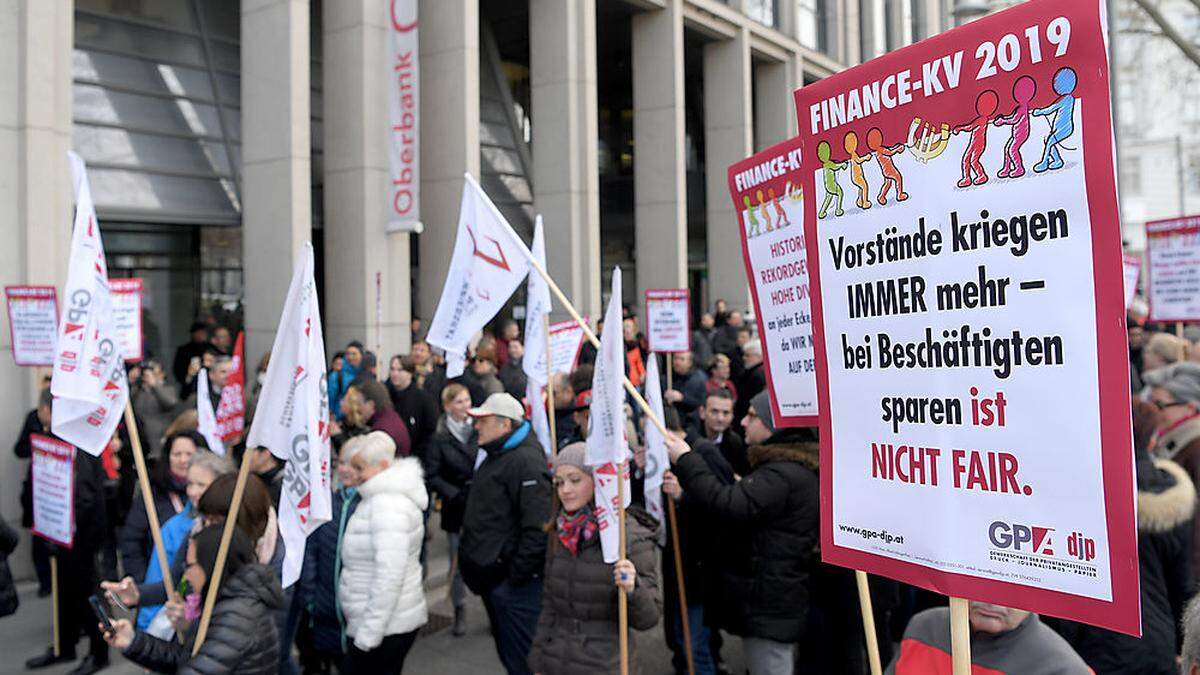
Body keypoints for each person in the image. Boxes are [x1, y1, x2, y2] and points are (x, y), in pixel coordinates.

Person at [663, 390, 819, 675]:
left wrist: (686, 459)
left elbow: (727, 503)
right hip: (770, 599)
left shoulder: (782, 474)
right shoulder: (785, 469)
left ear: (775, 426)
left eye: (752, 416)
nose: (744, 423)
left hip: (770, 604)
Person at [1053, 399, 1194, 674]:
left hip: (1094, 642)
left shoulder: (1081, 489)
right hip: (1157, 641)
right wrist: (1182, 646)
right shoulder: (1173, 497)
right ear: (1151, 440)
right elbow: (1182, 584)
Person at [528, 443, 662, 674]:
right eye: (559, 482)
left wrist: (633, 588)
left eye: (575, 480)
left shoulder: (628, 536)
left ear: (598, 480)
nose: (565, 490)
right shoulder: (558, 532)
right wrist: (538, 659)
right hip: (557, 662)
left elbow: (648, 618)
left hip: (606, 665)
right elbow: (550, 605)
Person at [103, 525, 284, 675]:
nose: (186, 574)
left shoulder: (238, 614)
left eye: (190, 566)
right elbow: (189, 658)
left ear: (210, 566)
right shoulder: (225, 602)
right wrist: (133, 641)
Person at [460, 393, 552, 675]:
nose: (477, 427)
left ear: (505, 424)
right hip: (496, 580)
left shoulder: (525, 462)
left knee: (521, 660)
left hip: (513, 586)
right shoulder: (499, 453)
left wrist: (514, 578)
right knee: (509, 653)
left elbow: (537, 529)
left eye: (483, 421)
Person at [339, 432, 428, 672]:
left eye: (361, 467)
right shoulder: (381, 499)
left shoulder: (387, 506)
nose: (355, 474)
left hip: (383, 628)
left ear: (384, 466)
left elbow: (389, 577)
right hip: (387, 623)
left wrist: (368, 635)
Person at [24, 444, 110, 674]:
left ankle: (98, 652)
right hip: (66, 533)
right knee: (65, 593)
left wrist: (61, 526)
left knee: (87, 595)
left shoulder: (79, 446)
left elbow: (84, 497)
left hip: (79, 536)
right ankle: (65, 645)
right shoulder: (64, 442)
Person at [134, 450, 235, 637]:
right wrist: (135, 595)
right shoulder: (194, 530)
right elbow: (173, 583)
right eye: (190, 484)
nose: (193, 492)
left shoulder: (235, 532)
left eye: (201, 484)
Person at [299, 437, 366, 670]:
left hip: (356, 615)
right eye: (342, 462)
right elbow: (310, 553)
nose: (346, 470)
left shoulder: (369, 505)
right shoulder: (327, 503)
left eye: (354, 465)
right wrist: (310, 598)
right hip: (324, 608)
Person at [886, 601, 1090, 674]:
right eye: (979, 581)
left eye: (1010, 588)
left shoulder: (1064, 669)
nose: (993, 602)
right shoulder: (923, 627)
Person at [425, 383, 480, 637]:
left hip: (481, 503)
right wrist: (454, 493)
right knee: (457, 561)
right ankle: (459, 609)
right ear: (448, 406)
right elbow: (432, 474)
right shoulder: (440, 437)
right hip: (456, 505)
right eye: (459, 402)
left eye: (467, 400)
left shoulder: (479, 430)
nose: (465, 406)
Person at [119, 431, 203, 583]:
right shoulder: (152, 493)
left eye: (189, 454)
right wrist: (142, 583)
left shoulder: (212, 496)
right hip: (158, 582)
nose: (183, 460)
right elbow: (132, 541)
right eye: (177, 454)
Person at [1144, 362, 1200, 576]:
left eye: (1160, 404)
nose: (1153, 411)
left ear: (1190, 407)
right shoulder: (1170, 439)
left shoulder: (1194, 448)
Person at [15, 387, 54, 595]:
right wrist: (38, 444)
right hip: (37, 488)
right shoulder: (33, 420)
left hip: (57, 492)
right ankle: (45, 581)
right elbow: (19, 449)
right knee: (38, 540)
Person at [688, 388, 750, 481]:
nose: (720, 418)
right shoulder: (688, 440)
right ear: (702, 412)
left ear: (732, 416)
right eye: (714, 411)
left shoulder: (735, 442)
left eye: (726, 413)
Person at [387, 355, 439, 462]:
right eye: (392, 369)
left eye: (400, 370)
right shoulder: (385, 395)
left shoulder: (424, 399)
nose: (395, 373)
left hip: (414, 457)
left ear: (410, 373)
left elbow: (430, 432)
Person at [353, 380, 413, 458]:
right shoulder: (390, 416)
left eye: (359, 404)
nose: (358, 409)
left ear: (371, 404)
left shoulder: (380, 433)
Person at [130, 359, 179, 451]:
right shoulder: (137, 391)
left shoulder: (168, 389)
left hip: (159, 440)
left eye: (153, 372)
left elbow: (171, 402)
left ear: (162, 374)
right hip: (140, 440)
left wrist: (154, 385)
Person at [733, 341, 766, 433]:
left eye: (747, 355)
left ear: (759, 356)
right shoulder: (757, 372)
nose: (744, 358)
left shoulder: (757, 375)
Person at [665, 352, 708, 417]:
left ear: (689, 363)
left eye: (682, 359)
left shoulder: (699, 379)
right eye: (675, 358)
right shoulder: (667, 377)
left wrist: (682, 398)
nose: (677, 362)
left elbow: (701, 403)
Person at [330, 342, 364, 421]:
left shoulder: (364, 375)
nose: (350, 357)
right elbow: (330, 401)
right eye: (348, 354)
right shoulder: (336, 376)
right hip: (340, 421)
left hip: (360, 420)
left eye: (354, 354)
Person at [172, 321, 209, 391]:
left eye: (203, 333)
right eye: (198, 333)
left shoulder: (210, 349)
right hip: (189, 388)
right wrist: (187, 377)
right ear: (193, 334)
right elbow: (178, 370)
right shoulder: (184, 350)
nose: (200, 335)